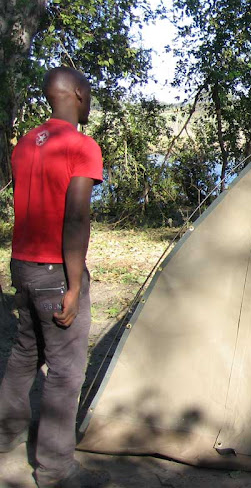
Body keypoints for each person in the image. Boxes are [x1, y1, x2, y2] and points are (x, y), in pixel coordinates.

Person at [0, 67, 104, 487]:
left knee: (26, 352)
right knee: (65, 369)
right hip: (54, 270)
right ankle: (56, 469)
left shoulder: (26, 143)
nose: (90, 100)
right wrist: (74, 286)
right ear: (77, 93)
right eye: (89, 92)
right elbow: (75, 218)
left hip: (22, 264)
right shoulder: (82, 146)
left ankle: (6, 435)